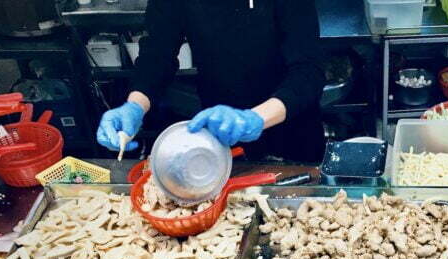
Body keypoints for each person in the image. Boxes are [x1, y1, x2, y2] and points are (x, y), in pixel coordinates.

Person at [96, 0, 325, 162]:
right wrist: (135, 104)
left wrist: (255, 118)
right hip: (219, 127)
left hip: (292, 125)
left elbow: (309, 69)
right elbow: (157, 54)